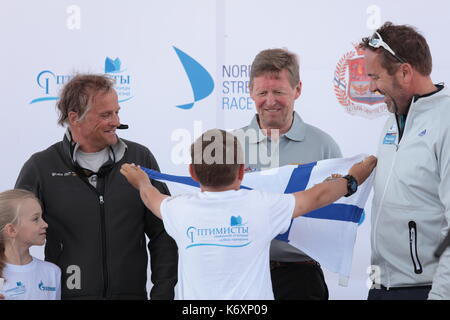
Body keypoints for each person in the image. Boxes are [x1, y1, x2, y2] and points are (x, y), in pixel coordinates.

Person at [120, 129, 376, 299]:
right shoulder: (263, 206)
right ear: (242, 172)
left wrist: (141, 181)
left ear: (192, 172)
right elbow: (317, 196)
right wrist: (352, 179)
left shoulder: (179, 210)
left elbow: (151, 197)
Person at [15, 74, 178, 299]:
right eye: (106, 115)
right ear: (75, 118)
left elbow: (163, 233)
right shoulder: (41, 166)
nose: (116, 121)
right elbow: (10, 233)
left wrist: (163, 293)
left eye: (117, 112)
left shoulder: (140, 157)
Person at [233, 48, 342, 300]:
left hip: (301, 279)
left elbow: (340, 216)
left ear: (298, 89)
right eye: (262, 92)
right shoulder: (229, 146)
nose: (270, 101)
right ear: (250, 92)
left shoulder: (325, 146)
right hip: (243, 276)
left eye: (279, 92)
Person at [360, 22, 450, 300]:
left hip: (425, 290)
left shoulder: (445, 121)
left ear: (405, 71)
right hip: (381, 287)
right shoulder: (393, 118)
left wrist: (440, 295)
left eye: (375, 77)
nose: (372, 87)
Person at [0, 189, 61, 300]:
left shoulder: (52, 272)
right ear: (11, 230)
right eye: (35, 219)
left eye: (42, 217)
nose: (45, 224)